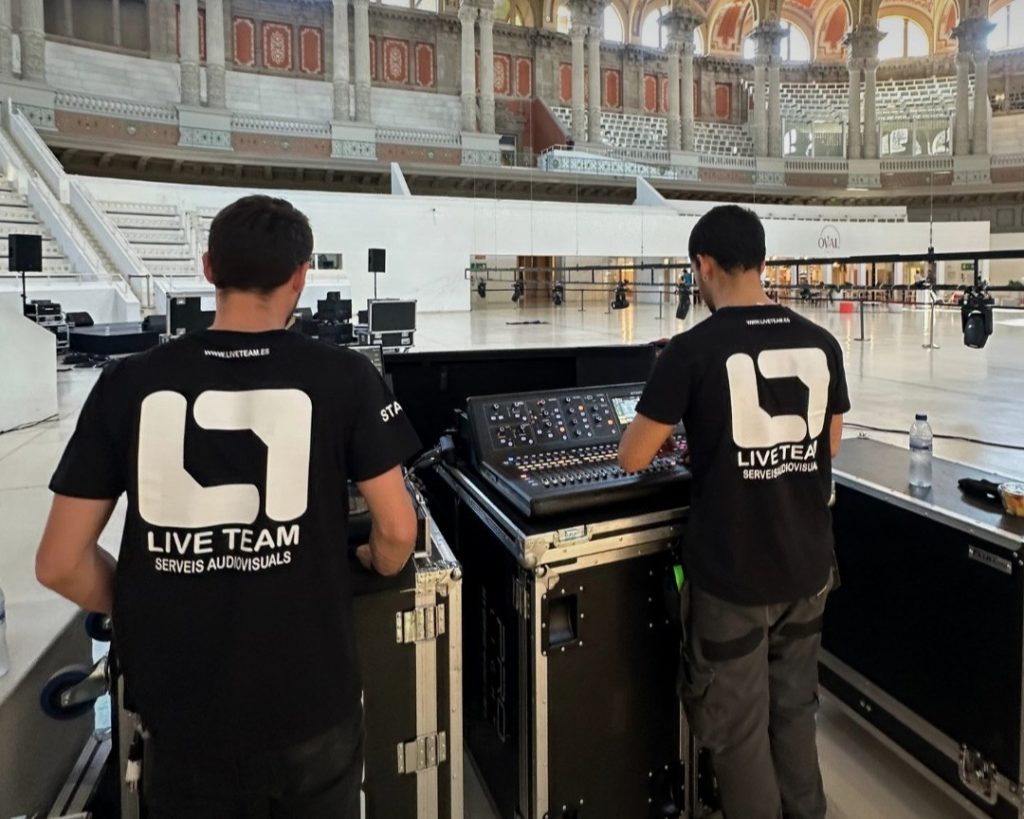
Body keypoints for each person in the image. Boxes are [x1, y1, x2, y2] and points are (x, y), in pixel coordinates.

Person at [36, 195, 421, 819]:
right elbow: (398, 530)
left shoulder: (127, 382)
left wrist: (147, 605)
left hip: (183, 719)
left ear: (209, 268)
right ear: (301, 276)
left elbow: (59, 563)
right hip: (310, 705)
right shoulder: (346, 376)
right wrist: (376, 563)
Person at [619, 205, 850, 819]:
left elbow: (633, 457)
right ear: (762, 261)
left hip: (735, 577)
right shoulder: (822, 342)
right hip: (808, 568)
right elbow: (828, 446)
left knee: (738, 734)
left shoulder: (690, 350)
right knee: (794, 713)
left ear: (704, 265)